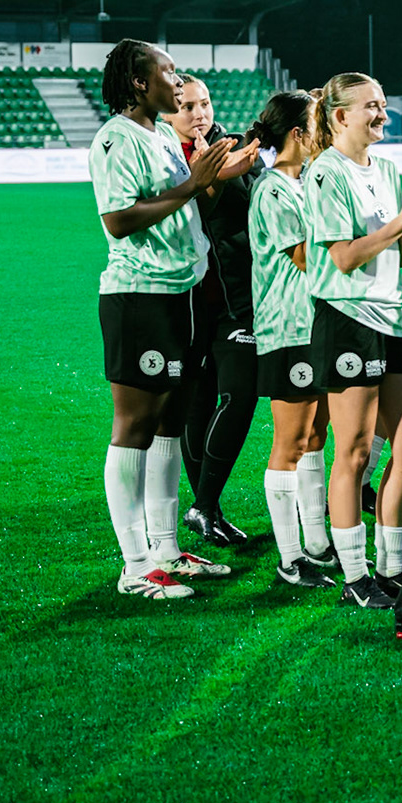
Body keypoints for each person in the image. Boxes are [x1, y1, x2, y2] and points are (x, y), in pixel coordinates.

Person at [89, 40, 257, 599]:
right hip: (139, 296)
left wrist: (215, 176)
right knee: (135, 425)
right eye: (169, 73)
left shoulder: (161, 134)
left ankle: (165, 548)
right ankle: (135, 566)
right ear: (140, 83)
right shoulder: (116, 138)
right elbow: (118, 220)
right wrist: (192, 182)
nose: (178, 83)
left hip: (179, 292)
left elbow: (189, 207)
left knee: (169, 422)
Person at [306, 72, 402, 606]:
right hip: (346, 317)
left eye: (384, 104)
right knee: (354, 450)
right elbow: (343, 258)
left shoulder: (386, 169)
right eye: (371, 106)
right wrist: (401, 220)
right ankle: (354, 576)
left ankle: (391, 568)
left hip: (390, 319)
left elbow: (399, 255)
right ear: (340, 116)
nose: (383, 114)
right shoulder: (325, 172)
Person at [245, 90, 337, 588]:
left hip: (316, 324)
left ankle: (318, 543)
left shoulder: (302, 184)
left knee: (317, 435)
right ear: (299, 135)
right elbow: (307, 257)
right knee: (291, 442)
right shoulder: (274, 189)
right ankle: (290, 555)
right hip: (288, 327)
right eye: (318, 126)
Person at [167, 74, 259, 546]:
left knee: (240, 394)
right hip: (184, 303)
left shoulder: (238, 149)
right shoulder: (163, 158)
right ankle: (208, 508)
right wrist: (210, 174)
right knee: (196, 403)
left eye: (204, 103)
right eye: (186, 106)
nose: (199, 113)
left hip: (237, 301)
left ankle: (203, 504)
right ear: (166, 110)